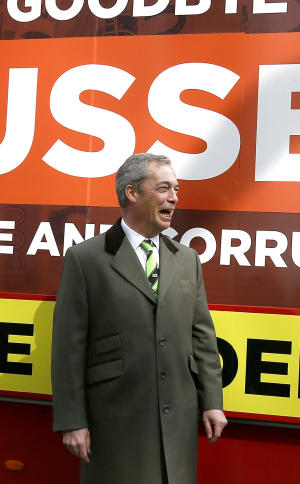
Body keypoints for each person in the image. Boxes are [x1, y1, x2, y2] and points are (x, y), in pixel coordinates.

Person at [51, 153, 227, 483]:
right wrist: (72, 421)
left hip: (177, 424)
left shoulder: (187, 259)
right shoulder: (85, 259)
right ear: (132, 193)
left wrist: (213, 402)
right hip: (115, 422)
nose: (173, 197)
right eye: (163, 188)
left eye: (176, 189)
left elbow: (202, 335)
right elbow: (68, 348)